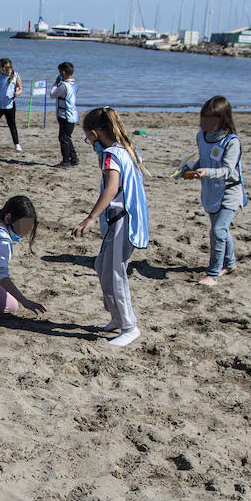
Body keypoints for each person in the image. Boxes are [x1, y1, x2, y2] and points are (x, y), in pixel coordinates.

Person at [71, 107, 150, 347]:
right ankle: (116, 317)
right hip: (122, 220)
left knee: (116, 273)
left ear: (95, 133)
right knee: (101, 265)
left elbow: (111, 189)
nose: (89, 143)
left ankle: (129, 326)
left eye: (88, 138)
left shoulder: (111, 155)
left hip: (123, 220)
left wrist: (91, 217)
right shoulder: (125, 149)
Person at [180, 95, 247, 287]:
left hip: (229, 192)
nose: (206, 123)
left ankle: (213, 274)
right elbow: (204, 160)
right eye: (204, 118)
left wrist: (206, 172)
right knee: (222, 231)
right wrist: (190, 170)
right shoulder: (201, 136)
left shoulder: (231, 141)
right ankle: (230, 263)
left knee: (218, 230)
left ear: (223, 119)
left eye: (211, 119)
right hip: (210, 192)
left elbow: (228, 170)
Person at [48, 61, 78, 166]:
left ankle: (66, 160)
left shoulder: (64, 86)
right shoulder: (74, 84)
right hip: (72, 114)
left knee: (63, 138)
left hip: (65, 115)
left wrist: (55, 83)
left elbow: (52, 94)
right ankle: (74, 158)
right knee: (67, 137)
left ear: (63, 72)